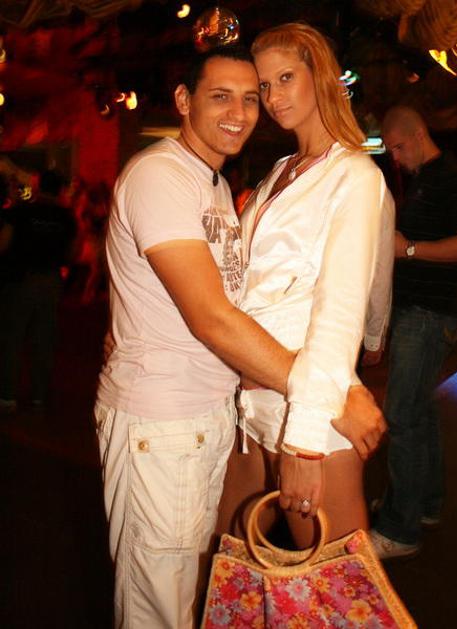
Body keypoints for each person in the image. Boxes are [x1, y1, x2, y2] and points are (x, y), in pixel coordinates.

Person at [95, 44, 385, 629]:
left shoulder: (234, 186)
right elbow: (213, 315)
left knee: (333, 596)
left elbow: (339, 302)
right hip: (178, 420)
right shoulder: (169, 175)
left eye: (259, 92)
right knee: (168, 600)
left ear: (321, 78)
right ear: (184, 101)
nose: (254, 107)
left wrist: (314, 410)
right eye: (223, 96)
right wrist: (331, 395)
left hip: (234, 415)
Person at [216, 22, 394, 549]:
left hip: (307, 414)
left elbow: (340, 309)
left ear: (320, 76)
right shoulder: (278, 172)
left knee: (337, 584)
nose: (273, 97)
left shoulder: (355, 176)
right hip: (251, 407)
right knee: (228, 561)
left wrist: (305, 442)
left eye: (286, 78)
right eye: (264, 85)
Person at [369, 106, 457, 559]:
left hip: (430, 314)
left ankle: (400, 529)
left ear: (418, 133)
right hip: (422, 312)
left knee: (403, 415)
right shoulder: (426, 179)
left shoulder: (451, 178)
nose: (394, 157)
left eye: (398, 147)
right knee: (420, 412)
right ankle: (423, 504)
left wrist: (409, 248)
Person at [0, 169, 76, 413]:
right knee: (44, 338)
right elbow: (72, 252)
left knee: (12, 337)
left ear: (38, 186)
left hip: (21, 279)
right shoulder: (66, 217)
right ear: (60, 190)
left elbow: (3, 244)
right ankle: (38, 395)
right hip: (51, 280)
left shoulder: (21, 212)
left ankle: (8, 395)